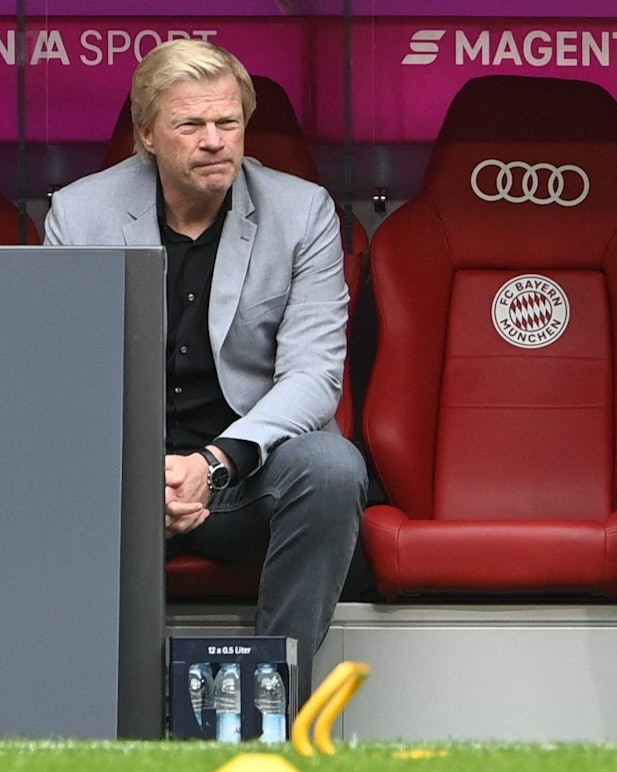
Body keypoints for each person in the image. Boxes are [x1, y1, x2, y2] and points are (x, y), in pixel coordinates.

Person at [44, 38, 367, 703]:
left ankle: (269, 703)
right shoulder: (80, 214)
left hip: (243, 474)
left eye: (228, 123)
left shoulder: (301, 212)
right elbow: (62, 390)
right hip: (119, 487)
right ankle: (82, 708)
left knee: (332, 468)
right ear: (147, 136)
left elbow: (313, 375)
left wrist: (213, 463)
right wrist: (137, 482)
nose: (215, 141)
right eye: (191, 125)